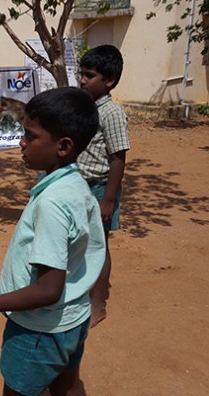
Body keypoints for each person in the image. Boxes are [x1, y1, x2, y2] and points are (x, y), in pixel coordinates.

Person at [0, 87, 106, 396]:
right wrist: (96, 300)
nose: (21, 142)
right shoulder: (78, 186)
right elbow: (99, 249)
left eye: (30, 136)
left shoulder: (53, 204)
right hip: (74, 318)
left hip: (39, 330)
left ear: (63, 147)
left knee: (18, 390)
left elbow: (48, 289)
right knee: (68, 385)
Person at [78, 45, 130, 328]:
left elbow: (118, 157)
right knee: (76, 242)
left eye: (89, 76)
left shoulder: (111, 113)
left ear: (108, 81)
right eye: (81, 74)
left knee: (98, 246)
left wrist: (108, 200)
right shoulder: (85, 106)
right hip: (78, 186)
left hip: (99, 189)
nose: (83, 80)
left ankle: (98, 304)